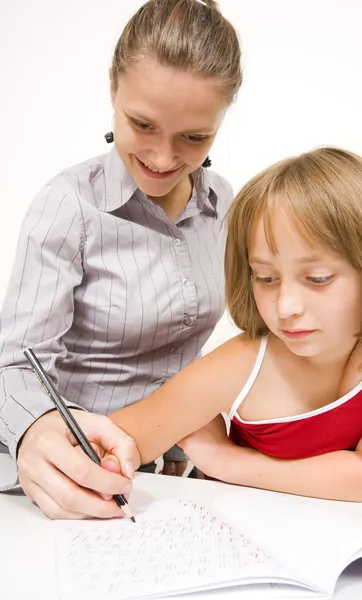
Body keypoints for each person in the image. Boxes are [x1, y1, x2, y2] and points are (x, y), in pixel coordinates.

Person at [0, 0, 242, 519]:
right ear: (113, 85)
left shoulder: (223, 203)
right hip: (78, 477)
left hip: (186, 481)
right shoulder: (69, 205)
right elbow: (14, 365)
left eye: (194, 138)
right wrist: (35, 428)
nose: (161, 158)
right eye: (142, 124)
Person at [109, 147, 362, 502]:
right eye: (265, 278)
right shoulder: (241, 364)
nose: (286, 307)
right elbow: (116, 441)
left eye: (318, 278)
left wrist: (228, 461)